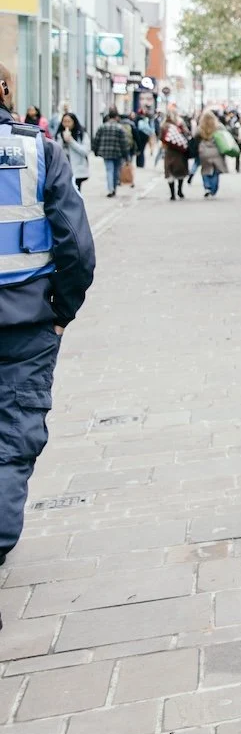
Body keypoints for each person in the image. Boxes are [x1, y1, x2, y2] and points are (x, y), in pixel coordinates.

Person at [0, 81, 96, 579]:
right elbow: (75, 246)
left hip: (30, 320)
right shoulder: (37, 150)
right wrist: (63, 309)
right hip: (25, 320)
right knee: (13, 439)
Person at [91, 111, 134, 197]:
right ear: (116, 117)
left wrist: (95, 151)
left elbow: (96, 140)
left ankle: (110, 189)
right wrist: (126, 156)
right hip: (117, 153)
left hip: (106, 153)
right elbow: (124, 143)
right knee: (116, 171)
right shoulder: (120, 128)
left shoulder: (102, 127)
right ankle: (114, 188)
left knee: (109, 170)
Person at [160, 110, 192, 201]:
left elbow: (161, 138)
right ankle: (179, 191)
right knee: (180, 172)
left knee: (170, 172)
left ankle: (172, 194)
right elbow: (187, 134)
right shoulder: (179, 125)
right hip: (180, 152)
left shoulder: (164, 126)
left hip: (169, 152)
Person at [196, 111, 229, 197]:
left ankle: (207, 187)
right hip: (216, 151)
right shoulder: (219, 126)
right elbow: (226, 135)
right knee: (215, 171)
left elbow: (195, 135)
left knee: (205, 170)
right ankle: (213, 190)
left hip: (204, 151)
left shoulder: (200, 127)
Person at [57, 113, 90, 191]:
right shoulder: (59, 135)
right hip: (63, 168)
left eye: (69, 121)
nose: (66, 124)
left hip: (77, 168)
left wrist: (71, 141)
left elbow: (85, 151)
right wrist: (62, 139)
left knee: (76, 191)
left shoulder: (82, 134)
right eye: (64, 121)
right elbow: (57, 150)